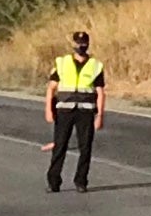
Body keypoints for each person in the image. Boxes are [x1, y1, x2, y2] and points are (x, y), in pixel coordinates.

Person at [44, 29, 107, 193]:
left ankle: (81, 181)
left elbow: (100, 92)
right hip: (64, 111)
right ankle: (54, 181)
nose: (81, 46)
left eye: (84, 43)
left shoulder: (96, 66)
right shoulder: (62, 63)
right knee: (60, 146)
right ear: (73, 44)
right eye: (78, 43)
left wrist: (100, 116)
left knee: (85, 148)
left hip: (85, 112)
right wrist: (48, 110)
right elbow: (51, 88)